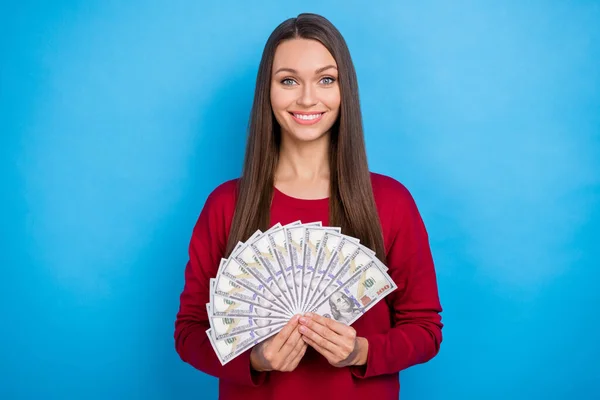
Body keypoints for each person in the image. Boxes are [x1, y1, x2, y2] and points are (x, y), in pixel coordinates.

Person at [174, 12, 443, 400]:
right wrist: (255, 361)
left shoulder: (390, 201)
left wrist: (361, 351)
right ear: (268, 91)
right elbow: (189, 333)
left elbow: (424, 328)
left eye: (325, 79)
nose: (306, 98)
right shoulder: (225, 205)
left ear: (343, 90)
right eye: (288, 81)